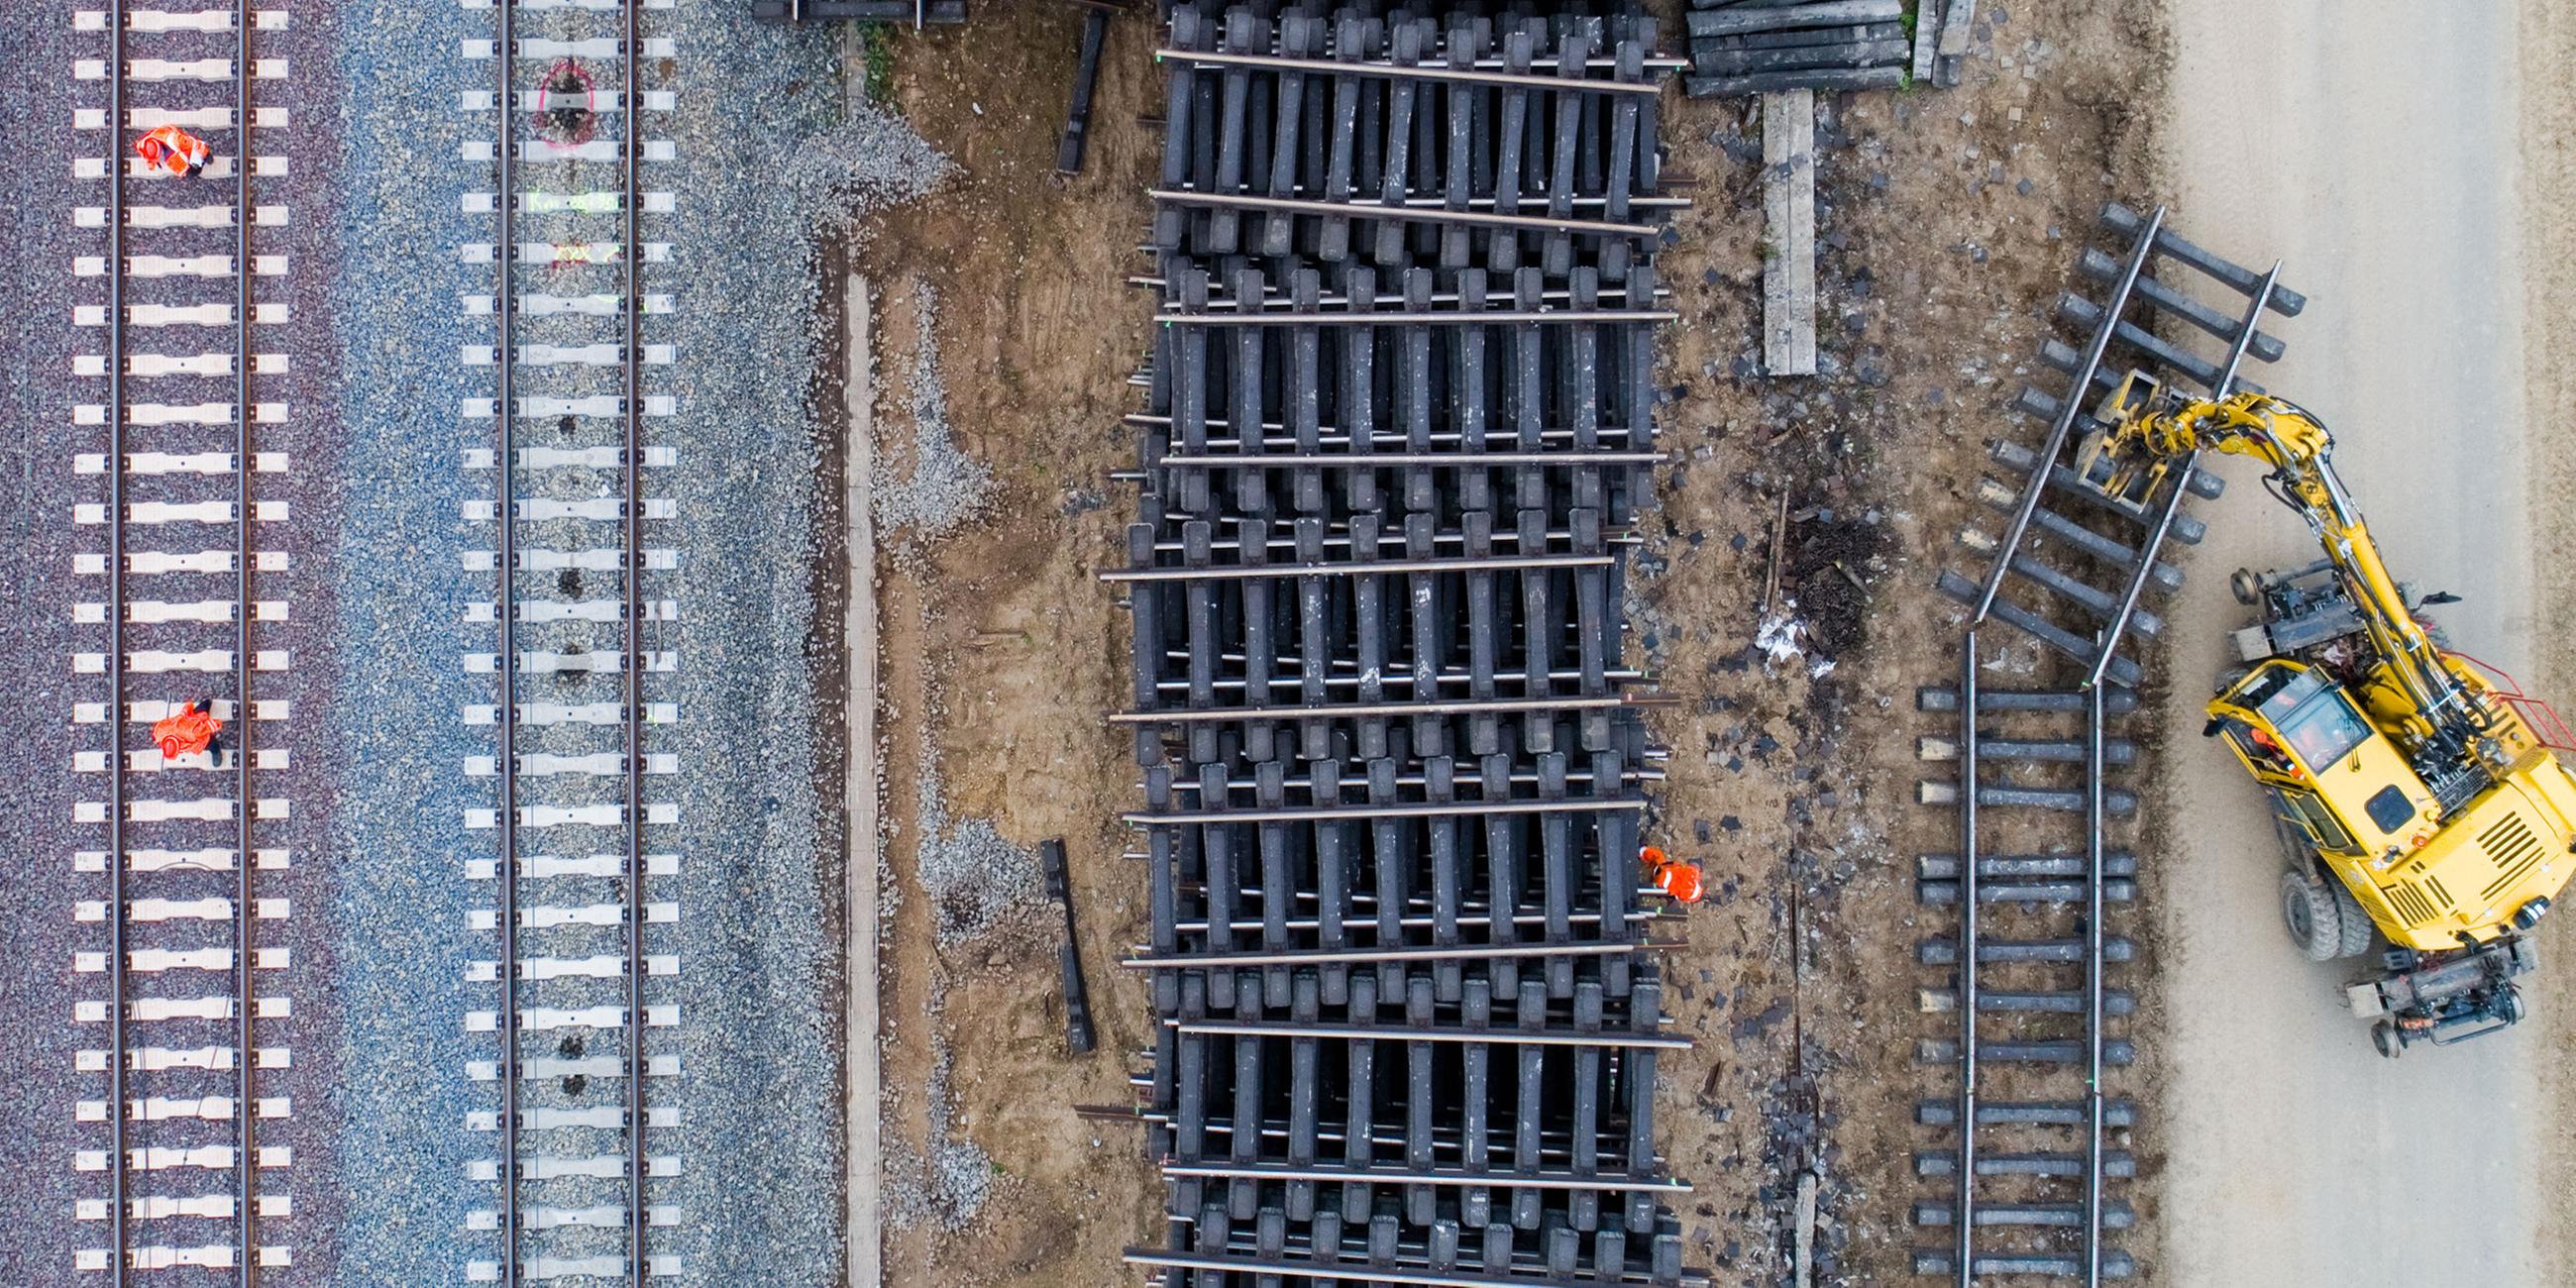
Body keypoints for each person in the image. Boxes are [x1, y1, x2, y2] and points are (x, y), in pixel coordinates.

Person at [153, 698, 224, 760]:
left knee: (211, 744)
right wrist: (188, 707)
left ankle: (216, 751)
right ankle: (207, 702)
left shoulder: (192, 734)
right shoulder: (161, 732)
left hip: (197, 733)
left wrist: (218, 724)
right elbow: (160, 727)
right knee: (201, 710)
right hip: (190, 719)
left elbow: (208, 726)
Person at [134, 124, 211, 178]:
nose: (151, 149)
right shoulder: (167, 155)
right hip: (173, 151)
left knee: (182, 144)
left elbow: (175, 137)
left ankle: (203, 155)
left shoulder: (171, 139)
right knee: (187, 168)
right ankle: (192, 166)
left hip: (181, 145)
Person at [1639, 845, 1706, 906]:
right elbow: (1675, 897)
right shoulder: (1692, 896)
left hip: (1662, 869)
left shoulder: (1694, 872)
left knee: (1657, 855)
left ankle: (1640, 850)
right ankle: (1640, 887)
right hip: (1659, 887)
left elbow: (1692, 864)